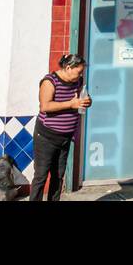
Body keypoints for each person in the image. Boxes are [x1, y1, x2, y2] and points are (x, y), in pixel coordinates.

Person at [30, 53, 89, 201]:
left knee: (58, 176)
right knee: (41, 176)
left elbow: (79, 100)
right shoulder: (50, 81)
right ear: (68, 67)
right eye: (78, 71)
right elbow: (45, 106)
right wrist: (71, 104)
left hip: (65, 138)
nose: (80, 75)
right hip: (46, 137)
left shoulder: (78, 81)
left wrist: (87, 101)